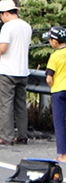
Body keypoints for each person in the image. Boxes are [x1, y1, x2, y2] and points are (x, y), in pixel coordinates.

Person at [0, 0, 32, 145]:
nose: (1, 18)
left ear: (5, 13)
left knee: (5, 105)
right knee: (20, 106)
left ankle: (6, 137)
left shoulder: (7, 27)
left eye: (0, 15)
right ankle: (22, 135)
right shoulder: (27, 26)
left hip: (8, 71)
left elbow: (3, 49)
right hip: (23, 71)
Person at [44, 26, 66, 162]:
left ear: (55, 41)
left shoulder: (54, 56)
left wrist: (52, 84)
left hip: (58, 91)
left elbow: (49, 78)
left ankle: (63, 155)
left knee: (59, 123)